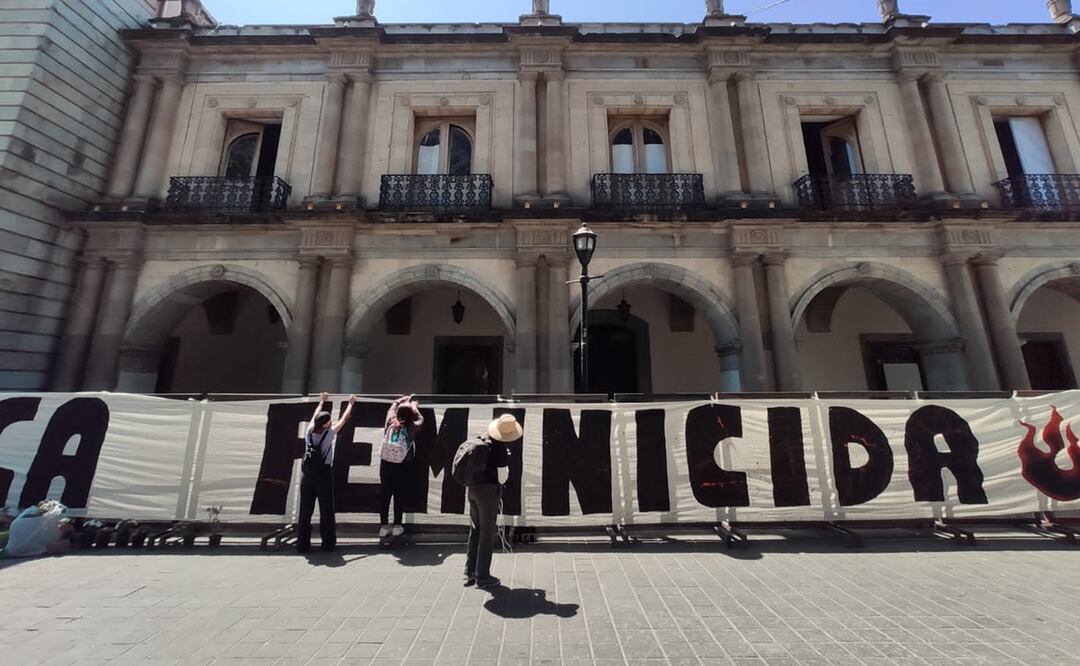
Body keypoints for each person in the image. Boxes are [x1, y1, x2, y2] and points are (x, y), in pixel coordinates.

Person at [465, 414, 522, 589]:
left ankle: (470, 571)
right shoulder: (500, 450)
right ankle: (483, 575)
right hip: (488, 493)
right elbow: (502, 478)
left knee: (475, 529)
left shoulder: (481, 440)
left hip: (472, 488)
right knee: (487, 532)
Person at [297, 392, 356, 554]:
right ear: (325, 423)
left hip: (307, 474)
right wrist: (350, 403)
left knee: (305, 511)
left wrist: (321, 401)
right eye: (329, 420)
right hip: (323, 474)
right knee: (326, 510)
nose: (331, 422)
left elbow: (315, 414)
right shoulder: (328, 434)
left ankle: (302, 545)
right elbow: (343, 420)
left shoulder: (309, 430)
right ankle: (328, 544)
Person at [379, 395, 424, 538]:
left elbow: (392, 408)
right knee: (399, 495)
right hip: (402, 466)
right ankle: (397, 525)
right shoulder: (412, 427)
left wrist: (401, 400)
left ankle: (384, 526)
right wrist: (414, 405)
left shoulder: (390, 422)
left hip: (385, 464)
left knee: (385, 495)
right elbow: (421, 418)